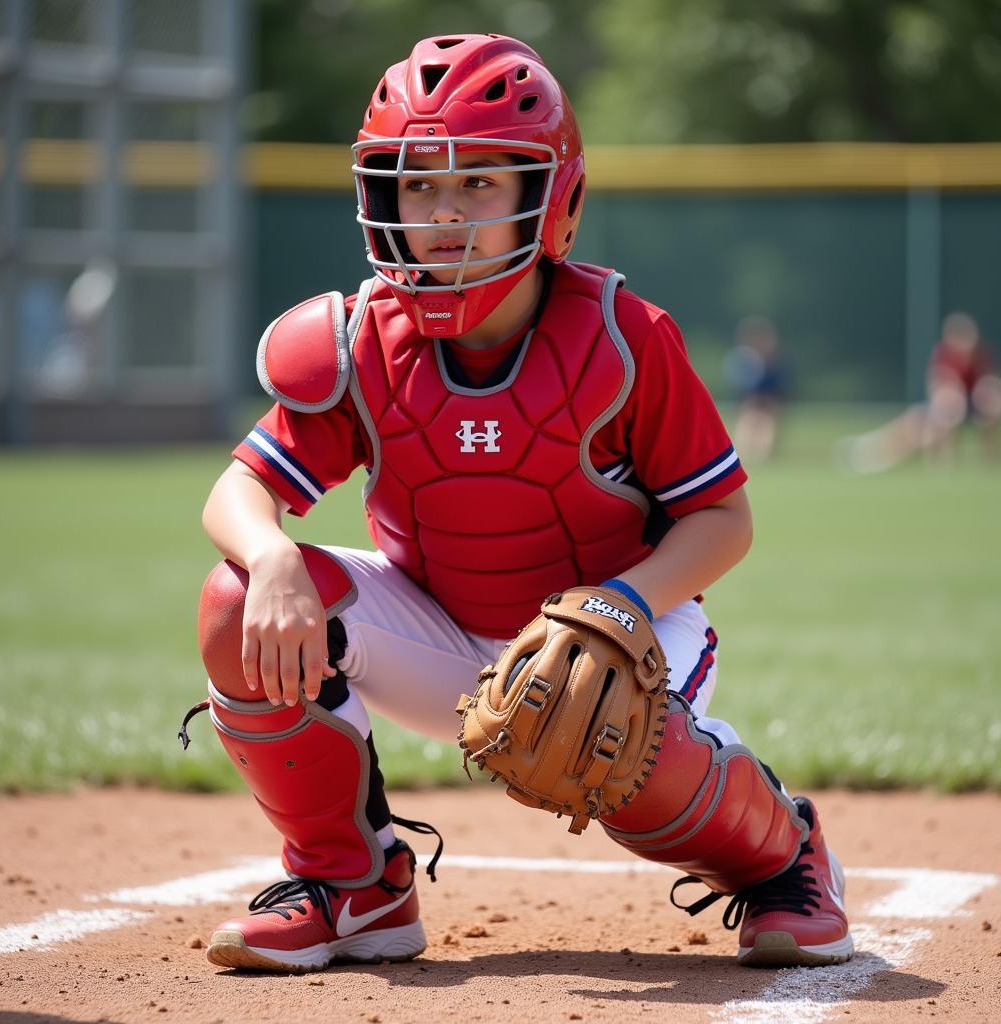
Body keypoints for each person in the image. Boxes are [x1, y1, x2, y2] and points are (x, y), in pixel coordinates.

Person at [185, 34, 853, 974]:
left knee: (614, 751)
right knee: (235, 598)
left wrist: (624, 603)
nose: (443, 213)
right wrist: (274, 556)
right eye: (417, 185)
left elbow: (723, 520)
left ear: (552, 198)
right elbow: (238, 491)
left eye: (479, 185)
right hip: (440, 628)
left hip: (621, 629)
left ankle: (787, 856)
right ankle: (354, 886)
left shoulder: (621, 340)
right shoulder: (363, 341)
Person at [839, 312, 1001, 474]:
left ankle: (867, 453)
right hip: (943, 409)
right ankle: (868, 452)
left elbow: (987, 382)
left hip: (970, 408)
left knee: (975, 409)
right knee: (917, 426)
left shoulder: (980, 354)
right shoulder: (944, 355)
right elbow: (941, 386)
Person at [724, 315, 788, 463]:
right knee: (747, 426)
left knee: (765, 434)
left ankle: (761, 456)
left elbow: (781, 389)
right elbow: (740, 387)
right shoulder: (745, 360)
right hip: (750, 406)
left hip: (770, 407)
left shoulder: (778, 363)